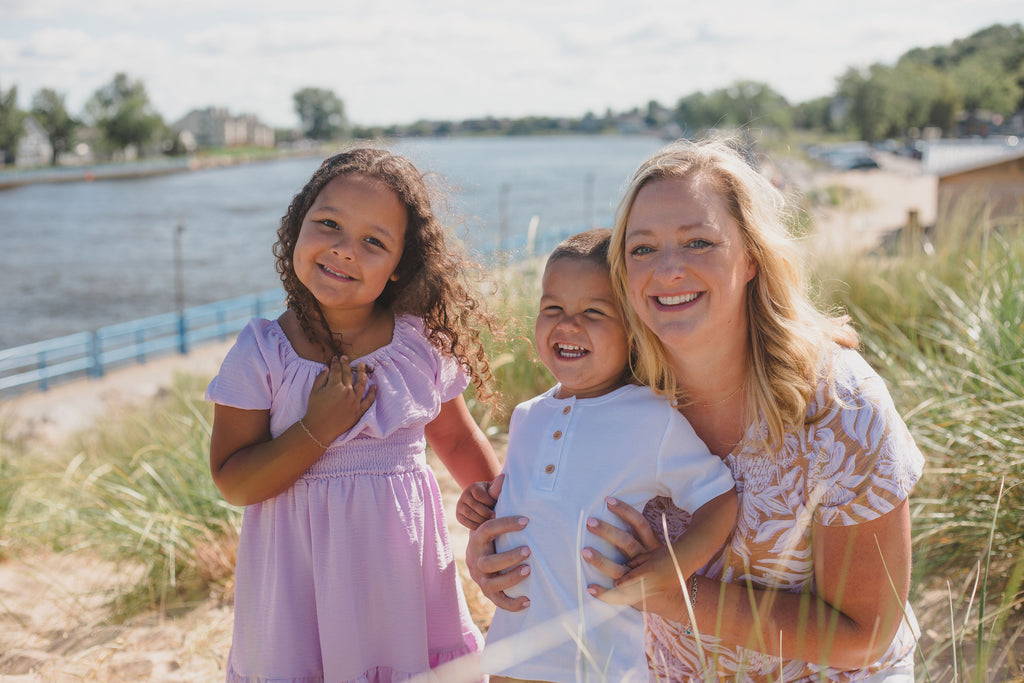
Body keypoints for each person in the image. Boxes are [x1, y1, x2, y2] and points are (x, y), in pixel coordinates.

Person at [465, 138, 924, 682]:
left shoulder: (841, 409)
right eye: (642, 249)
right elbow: (556, 515)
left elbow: (864, 636)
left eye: (699, 242)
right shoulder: (617, 384)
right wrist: (498, 560)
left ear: (751, 257)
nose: (668, 269)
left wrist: (676, 596)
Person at [205, 148, 502, 683]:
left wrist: (507, 516)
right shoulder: (262, 353)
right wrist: (316, 430)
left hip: (399, 582)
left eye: (374, 242)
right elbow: (234, 481)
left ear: (397, 268)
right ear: (297, 226)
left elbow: (456, 441)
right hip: (298, 593)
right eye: (328, 225)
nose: (345, 250)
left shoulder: (417, 345)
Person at [457, 229, 737, 683]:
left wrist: (671, 568)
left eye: (593, 312)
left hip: (600, 666)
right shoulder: (528, 417)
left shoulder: (652, 417)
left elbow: (720, 499)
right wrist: (479, 507)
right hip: (511, 656)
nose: (568, 325)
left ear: (633, 329)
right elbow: (521, 502)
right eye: (553, 309)